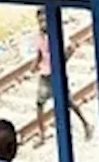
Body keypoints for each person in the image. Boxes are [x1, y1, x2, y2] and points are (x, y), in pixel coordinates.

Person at [32, 10, 94, 146]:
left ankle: (86, 124)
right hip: (45, 74)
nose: (42, 23)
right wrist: (34, 65)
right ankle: (42, 134)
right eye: (40, 21)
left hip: (57, 74)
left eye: (44, 20)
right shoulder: (39, 36)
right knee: (39, 104)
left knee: (69, 102)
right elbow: (39, 53)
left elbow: (70, 48)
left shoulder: (57, 34)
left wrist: (61, 61)